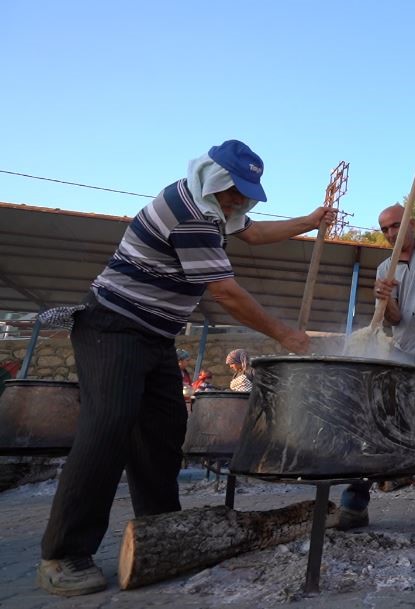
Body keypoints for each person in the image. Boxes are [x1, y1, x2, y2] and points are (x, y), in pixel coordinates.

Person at [36, 139, 335, 597]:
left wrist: (309, 222)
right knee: (108, 426)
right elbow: (226, 292)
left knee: (162, 431)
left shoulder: (216, 208)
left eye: (246, 192)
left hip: (155, 336)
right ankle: (63, 554)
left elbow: (253, 234)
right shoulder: (190, 212)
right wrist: (287, 336)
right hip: (111, 326)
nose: (239, 200)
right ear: (213, 178)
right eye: (233, 189)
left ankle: (161, 533)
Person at [338, 132, 415, 535]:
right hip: (407, 350)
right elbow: (393, 321)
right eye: (385, 230)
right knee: (379, 415)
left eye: (396, 225)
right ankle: (355, 502)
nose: (391, 234)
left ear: (411, 221)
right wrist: (384, 299)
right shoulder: (383, 269)